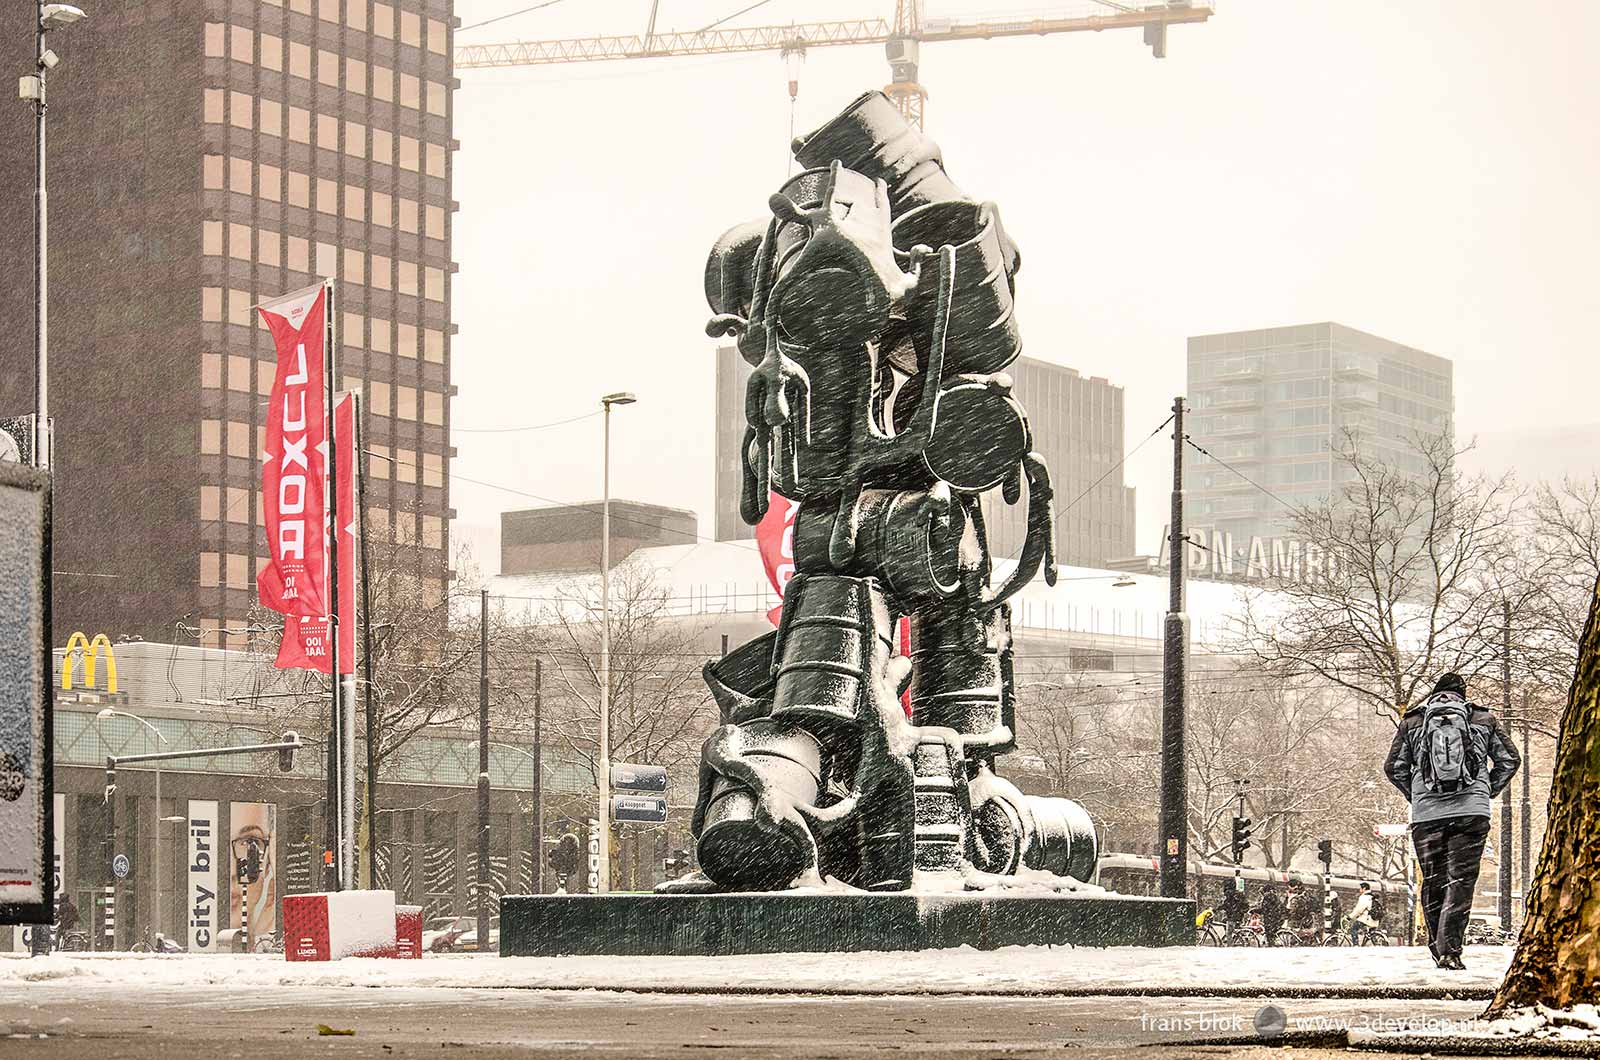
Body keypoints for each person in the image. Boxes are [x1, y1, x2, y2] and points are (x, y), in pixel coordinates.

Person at [1384, 671, 1521, 970]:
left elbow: (1394, 767)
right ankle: (1451, 950)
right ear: (1463, 694)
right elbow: (1510, 760)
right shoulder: (1482, 720)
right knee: (1461, 881)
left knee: (1433, 880)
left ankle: (1436, 947)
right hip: (1471, 814)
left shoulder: (1413, 722)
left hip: (1427, 818)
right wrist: (1486, 790)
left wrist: (1417, 796)